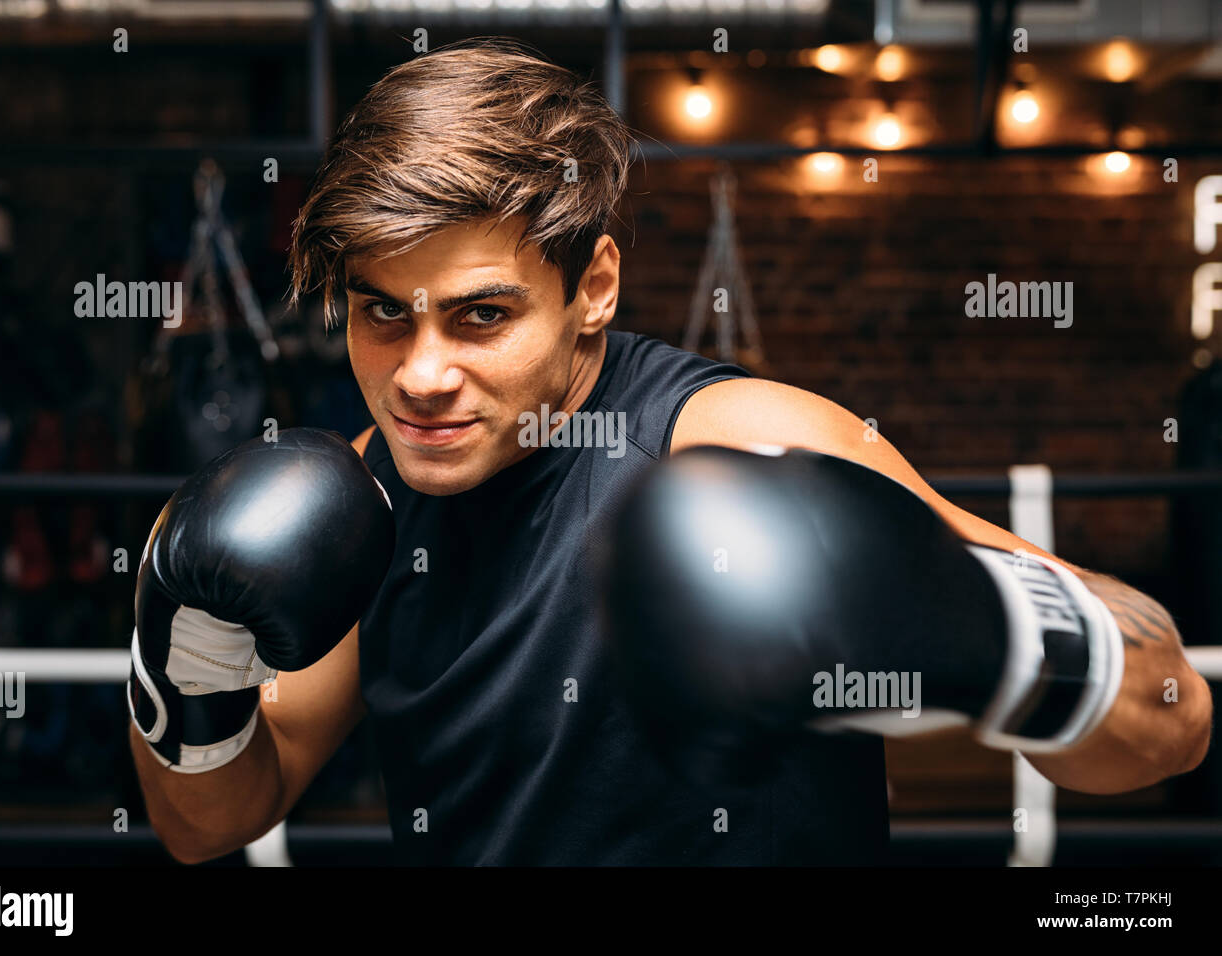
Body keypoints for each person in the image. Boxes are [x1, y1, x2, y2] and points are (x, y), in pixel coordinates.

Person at [129, 38, 1213, 866]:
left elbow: (1170, 716)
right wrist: (180, 645)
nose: (418, 374)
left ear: (592, 286)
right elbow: (212, 822)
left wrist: (981, 625)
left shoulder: (745, 441)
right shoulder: (355, 501)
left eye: (479, 316)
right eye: (382, 315)